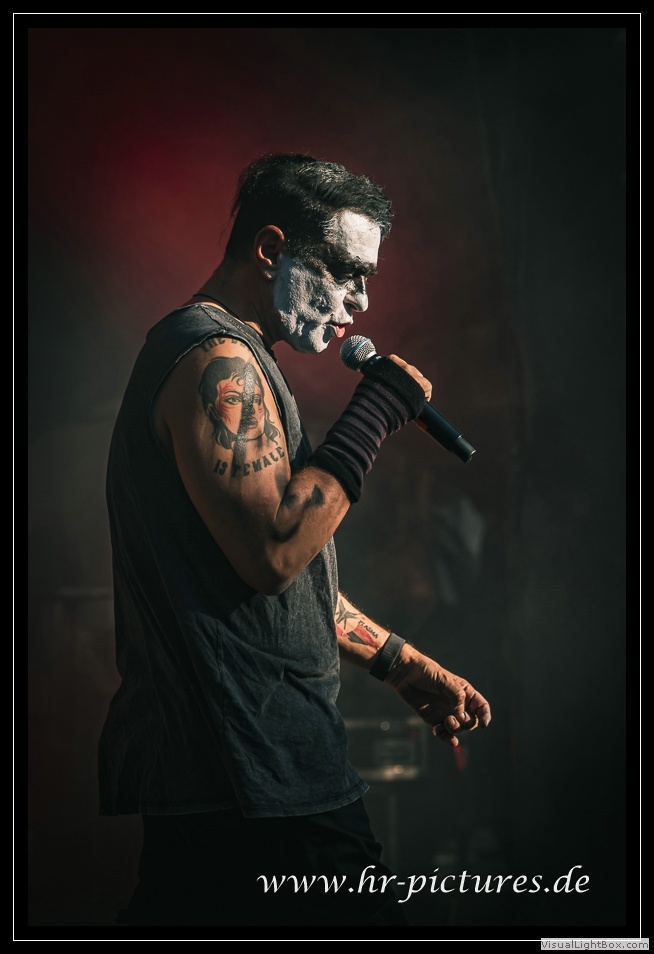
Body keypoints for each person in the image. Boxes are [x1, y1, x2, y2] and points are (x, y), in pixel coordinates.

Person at [99, 152, 491, 928]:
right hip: (255, 777)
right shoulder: (215, 360)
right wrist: (375, 411)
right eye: (345, 272)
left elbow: (279, 583)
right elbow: (276, 552)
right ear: (272, 249)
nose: (360, 301)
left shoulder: (233, 357)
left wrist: (400, 661)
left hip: (243, 777)